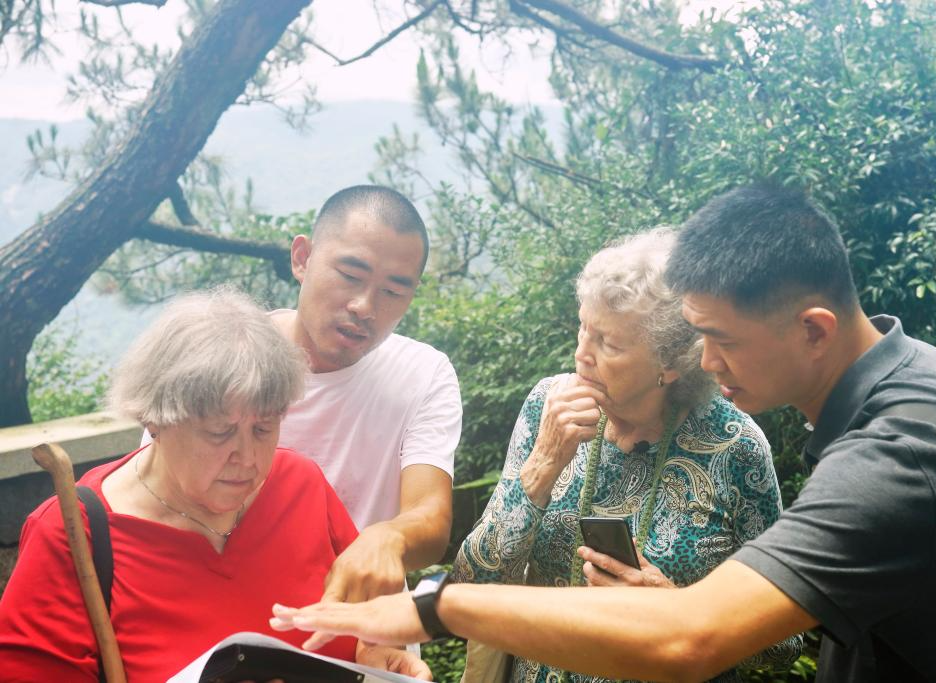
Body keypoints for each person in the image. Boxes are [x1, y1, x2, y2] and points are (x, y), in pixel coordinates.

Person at [269, 184, 936, 682]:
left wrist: (434, 607)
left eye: (719, 339)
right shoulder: (921, 379)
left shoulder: (903, 456)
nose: (708, 361)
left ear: (813, 330)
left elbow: (695, 635)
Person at [0, 289, 430, 681]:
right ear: (154, 419)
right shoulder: (74, 534)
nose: (248, 458)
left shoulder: (300, 483)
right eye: (219, 432)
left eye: (264, 428)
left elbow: (366, 620)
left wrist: (375, 653)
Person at [451, 228, 800, 681]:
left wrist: (675, 608)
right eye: (583, 327)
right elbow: (472, 582)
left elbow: (783, 643)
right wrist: (544, 463)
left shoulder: (735, 446)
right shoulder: (548, 405)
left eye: (609, 344)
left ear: (670, 365)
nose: (582, 353)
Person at [272, 185, 462, 606]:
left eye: (392, 292)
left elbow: (430, 516)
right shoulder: (226, 358)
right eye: (350, 276)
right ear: (302, 258)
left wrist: (389, 537)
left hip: (368, 627)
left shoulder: (422, 374)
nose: (364, 306)